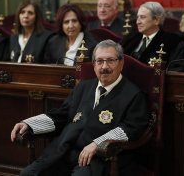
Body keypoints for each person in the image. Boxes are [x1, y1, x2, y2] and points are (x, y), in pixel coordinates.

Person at [11, 39, 149, 176]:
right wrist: (29, 124)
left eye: (110, 60)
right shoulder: (83, 87)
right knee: (27, 174)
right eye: (100, 61)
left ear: (121, 63)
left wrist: (98, 144)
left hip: (98, 159)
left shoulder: (133, 95)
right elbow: (62, 115)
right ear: (94, 65)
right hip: (63, 152)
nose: (104, 67)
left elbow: (132, 128)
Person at [121, 1, 183, 66]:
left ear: (156, 20)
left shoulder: (172, 41)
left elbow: (174, 68)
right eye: (138, 17)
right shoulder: (131, 37)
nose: (137, 22)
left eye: (142, 17)